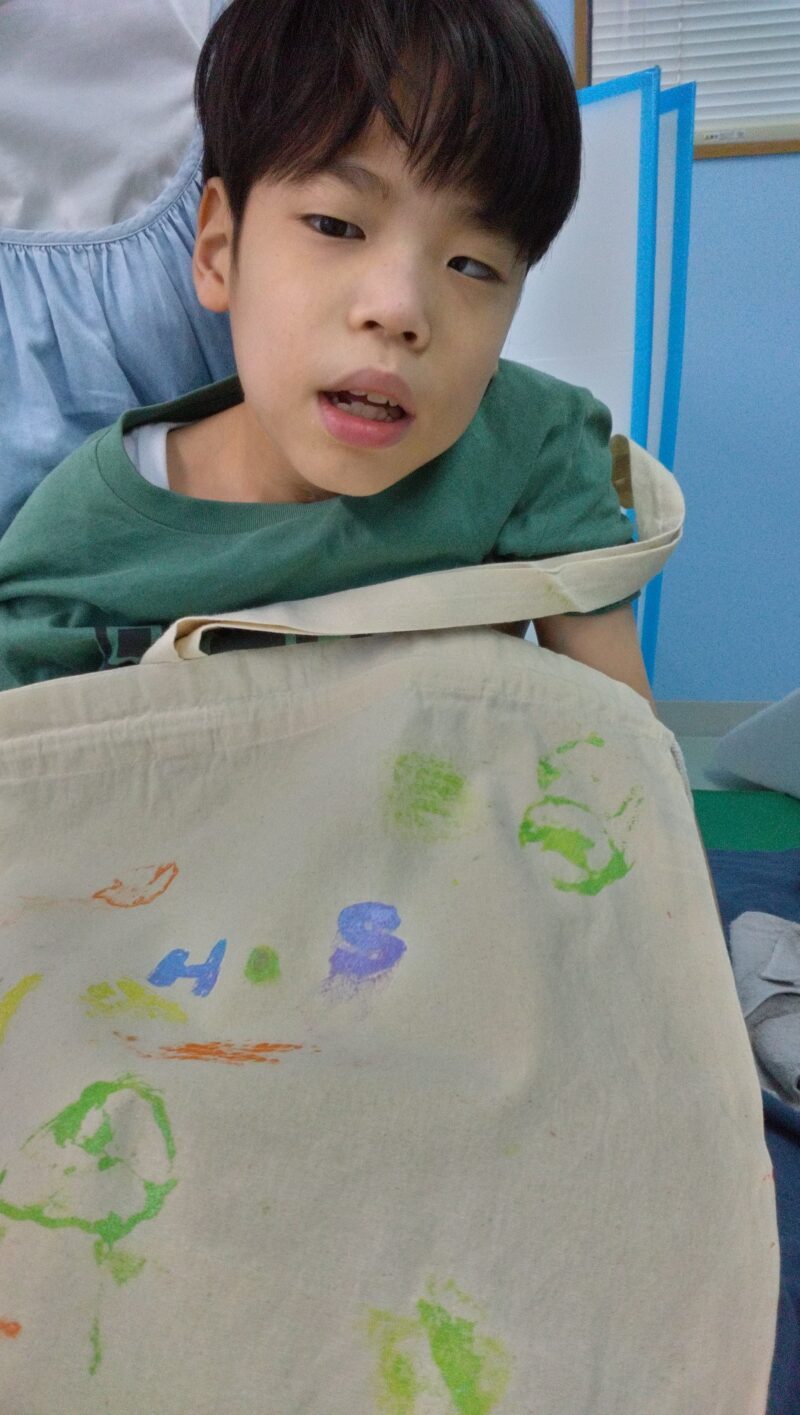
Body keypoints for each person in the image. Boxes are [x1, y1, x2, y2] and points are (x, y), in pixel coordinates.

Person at [0, 0, 654, 710]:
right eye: (336, 225)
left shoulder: (532, 449)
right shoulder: (79, 544)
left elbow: (623, 746)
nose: (399, 310)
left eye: (471, 265)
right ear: (219, 250)